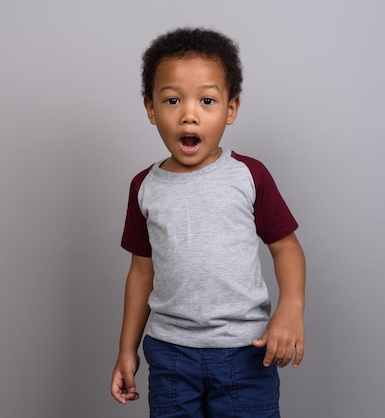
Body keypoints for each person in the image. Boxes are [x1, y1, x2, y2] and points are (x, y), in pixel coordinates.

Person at [110, 27, 306, 418]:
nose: (189, 113)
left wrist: (291, 308)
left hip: (246, 353)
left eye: (207, 100)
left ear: (230, 109)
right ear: (151, 109)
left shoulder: (249, 175)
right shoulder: (144, 187)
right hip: (170, 357)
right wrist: (126, 350)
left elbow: (286, 246)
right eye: (171, 99)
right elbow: (141, 272)